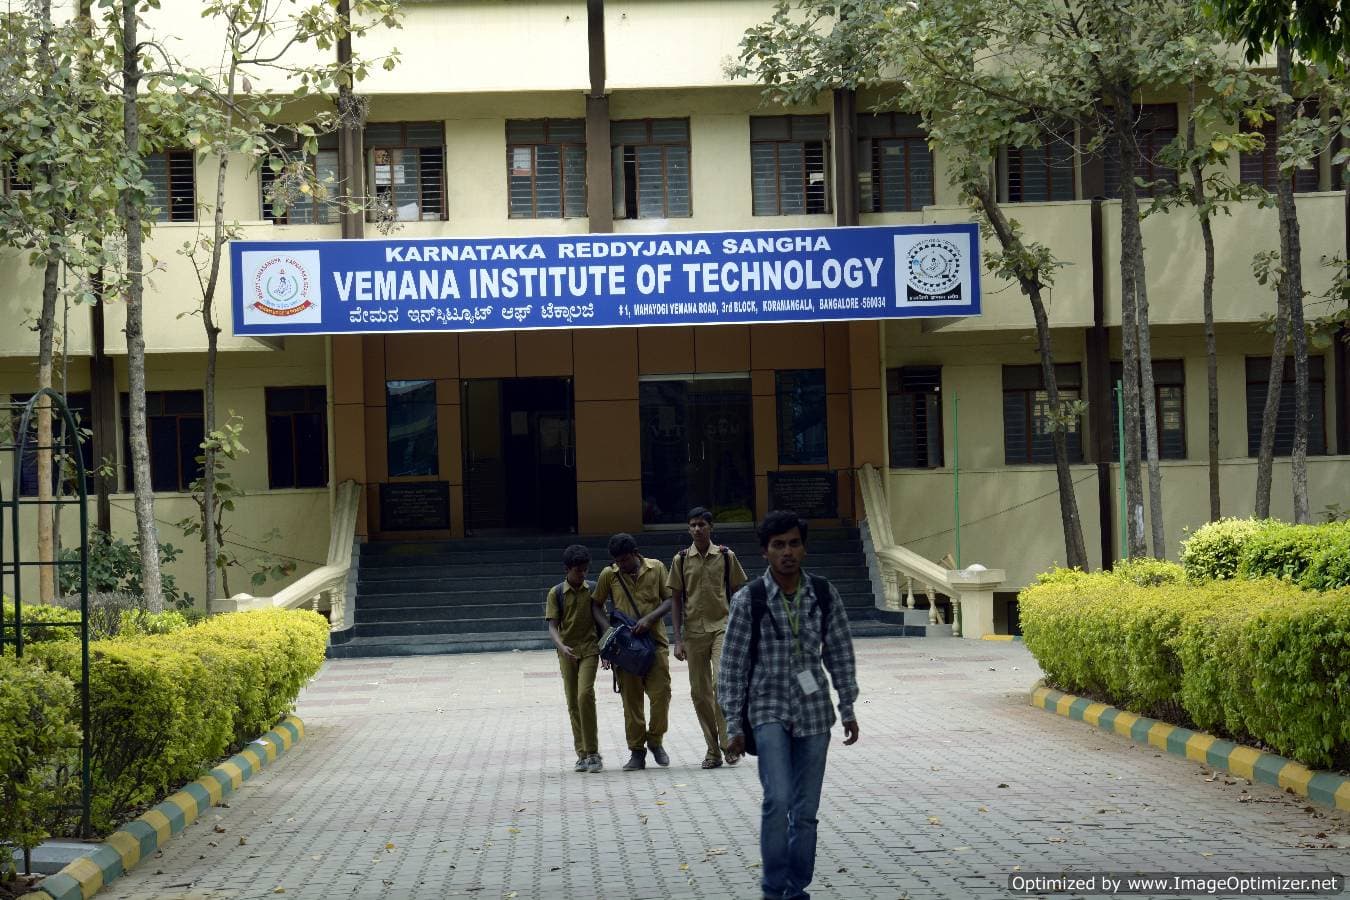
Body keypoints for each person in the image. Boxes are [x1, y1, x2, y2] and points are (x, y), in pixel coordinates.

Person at [718, 510, 860, 900]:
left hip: (815, 713)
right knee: (777, 799)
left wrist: (847, 706)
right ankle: (773, 888)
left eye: (794, 543)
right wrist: (734, 724)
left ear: (804, 547)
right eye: (778, 545)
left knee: (806, 811)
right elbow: (731, 665)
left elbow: (840, 653)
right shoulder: (750, 599)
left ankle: (796, 890)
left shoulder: (824, 593)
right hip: (767, 711)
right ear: (765, 551)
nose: (787, 552)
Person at [668, 506, 747, 770]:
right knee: (699, 693)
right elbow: (676, 600)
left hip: (721, 627)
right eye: (692, 525)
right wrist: (677, 639)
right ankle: (712, 750)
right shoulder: (680, 559)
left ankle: (728, 746)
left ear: (710, 527)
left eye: (701, 524)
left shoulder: (726, 556)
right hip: (692, 633)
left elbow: (738, 591)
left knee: (720, 685)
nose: (697, 529)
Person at [591, 532, 673, 771]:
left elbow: (669, 600)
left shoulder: (656, 568)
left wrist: (649, 619)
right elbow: (596, 605)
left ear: (636, 554)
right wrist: (608, 631)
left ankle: (655, 740)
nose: (622, 565)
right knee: (631, 702)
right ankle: (637, 751)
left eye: (625, 560)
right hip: (625, 650)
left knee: (661, 695)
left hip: (655, 643)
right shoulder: (610, 574)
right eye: (618, 561)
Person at [546, 544, 603, 773]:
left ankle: (593, 752)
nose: (583, 574)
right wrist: (561, 646)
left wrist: (605, 650)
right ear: (567, 569)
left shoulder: (593, 589)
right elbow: (552, 626)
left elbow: (601, 620)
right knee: (572, 702)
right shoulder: (557, 593)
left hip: (590, 649)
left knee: (584, 695)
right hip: (567, 652)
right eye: (578, 570)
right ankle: (582, 754)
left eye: (585, 570)